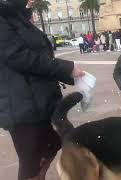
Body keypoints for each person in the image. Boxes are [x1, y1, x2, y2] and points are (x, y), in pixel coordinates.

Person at [0, 0, 85, 180]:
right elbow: (18, 56)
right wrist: (65, 68)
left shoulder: (17, 16)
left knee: (52, 144)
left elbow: (39, 53)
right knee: (30, 159)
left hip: (39, 98)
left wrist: (66, 73)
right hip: (20, 103)